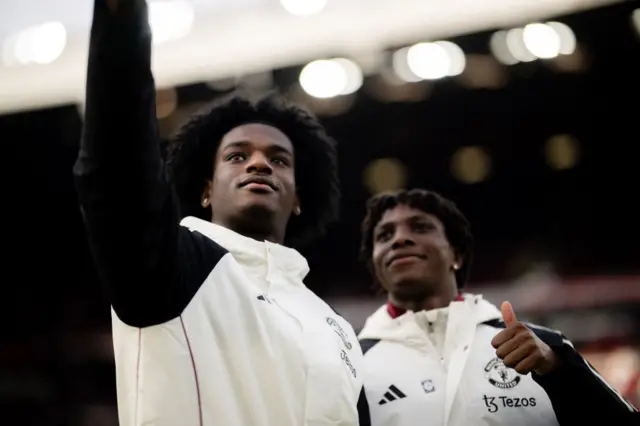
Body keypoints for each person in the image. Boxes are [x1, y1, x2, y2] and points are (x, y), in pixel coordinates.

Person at [73, 1, 363, 425]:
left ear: (299, 197)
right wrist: (123, 18)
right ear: (206, 189)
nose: (259, 164)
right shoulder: (171, 265)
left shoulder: (334, 326)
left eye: (279, 160)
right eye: (237, 156)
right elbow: (115, 165)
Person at [356, 188, 637, 425]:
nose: (399, 239)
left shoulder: (544, 349)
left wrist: (558, 370)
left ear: (457, 254)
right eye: (384, 235)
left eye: (420, 227)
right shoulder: (351, 366)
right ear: (376, 267)